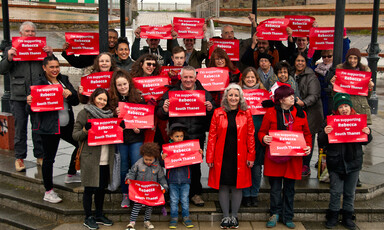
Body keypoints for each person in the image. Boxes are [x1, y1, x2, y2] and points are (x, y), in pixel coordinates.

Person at [157, 66, 216, 207]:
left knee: (195, 167)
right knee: (175, 166)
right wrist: (164, 109)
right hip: (177, 136)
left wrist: (210, 109)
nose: (188, 80)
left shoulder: (204, 93)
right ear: (180, 78)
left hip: (197, 136)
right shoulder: (171, 93)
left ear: (195, 78)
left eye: (191, 77)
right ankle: (174, 195)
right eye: (185, 77)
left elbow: (214, 114)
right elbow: (159, 112)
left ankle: (195, 194)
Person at [0, 21, 52, 171]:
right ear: (21, 34)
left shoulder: (41, 48)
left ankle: (40, 155)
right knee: (20, 128)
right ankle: (19, 158)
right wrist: (9, 58)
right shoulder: (11, 48)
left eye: (32, 31)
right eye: (27, 31)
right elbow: (2, 69)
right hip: (18, 95)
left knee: (38, 127)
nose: (30, 34)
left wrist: (49, 54)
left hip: (38, 93)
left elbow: (52, 67)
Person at [26, 56, 79, 202]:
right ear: (44, 68)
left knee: (80, 144)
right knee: (49, 158)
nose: (55, 70)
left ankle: (71, 173)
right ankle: (48, 191)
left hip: (66, 125)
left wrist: (70, 94)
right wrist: (30, 103)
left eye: (57, 66)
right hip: (49, 127)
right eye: (52, 67)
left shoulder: (64, 80)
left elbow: (76, 101)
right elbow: (31, 110)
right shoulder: (39, 84)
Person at [258, 85, 312, 229]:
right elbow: (262, 132)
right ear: (281, 99)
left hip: (293, 160)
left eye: (292, 95)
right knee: (275, 189)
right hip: (275, 159)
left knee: (289, 189)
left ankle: (288, 216)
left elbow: (307, 133)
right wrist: (264, 139)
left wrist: (308, 146)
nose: (293, 98)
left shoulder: (300, 113)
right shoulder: (270, 113)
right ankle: (274, 213)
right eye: (289, 96)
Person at [318, 93, 372, 230]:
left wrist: (368, 133)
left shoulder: (358, 120)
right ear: (337, 109)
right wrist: (325, 132)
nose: (344, 109)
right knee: (335, 192)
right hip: (335, 163)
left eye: (346, 106)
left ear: (350, 107)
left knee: (349, 193)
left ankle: (348, 217)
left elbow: (366, 140)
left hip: (353, 162)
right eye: (341, 107)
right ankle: (333, 216)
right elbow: (321, 142)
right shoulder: (330, 121)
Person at [206, 83, 255, 228]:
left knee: (237, 186)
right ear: (226, 97)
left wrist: (251, 156)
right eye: (230, 95)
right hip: (222, 156)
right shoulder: (218, 112)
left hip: (240, 155)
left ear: (240, 97)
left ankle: (234, 217)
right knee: (223, 186)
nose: (233, 98)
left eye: (236, 95)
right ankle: (225, 217)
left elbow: (250, 136)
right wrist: (210, 157)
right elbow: (212, 136)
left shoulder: (247, 113)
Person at [72, 88, 115, 230]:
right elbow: (75, 135)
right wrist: (85, 130)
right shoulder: (84, 113)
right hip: (90, 158)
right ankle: (88, 217)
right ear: (93, 97)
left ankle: (98, 214)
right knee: (89, 188)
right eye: (99, 98)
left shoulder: (110, 115)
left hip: (105, 158)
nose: (102, 102)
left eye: (104, 100)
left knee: (101, 189)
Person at [108, 69, 145, 208]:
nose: (123, 87)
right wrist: (114, 114)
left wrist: (140, 127)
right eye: (119, 85)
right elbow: (108, 122)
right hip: (121, 138)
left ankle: (137, 194)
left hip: (136, 137)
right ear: (115, 87)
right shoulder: (112, 101)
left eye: (125, 84)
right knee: (123, 167)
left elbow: (145, 118)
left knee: (136, 166)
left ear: (129, 83)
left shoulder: (138, 98)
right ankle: (125, 195)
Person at [162, 123, 203, 228]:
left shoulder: (188, 147)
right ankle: (174, 219)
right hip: (172, 180)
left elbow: (195, 159)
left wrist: (199, 153)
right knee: (174, 200)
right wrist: (163, 157)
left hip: (186, 179)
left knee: (185, 200)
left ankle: (186, 218)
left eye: (181, 136)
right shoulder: (167, 148)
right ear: (171, 137)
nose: (179, 138)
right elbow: (163, 164)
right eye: (176, 136)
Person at [292, 53, 323, 176]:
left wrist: (303, 103)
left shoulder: (311, 76)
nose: (300, 63)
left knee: (308, 139)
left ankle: (306, 164)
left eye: (302, 61)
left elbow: (314, 95)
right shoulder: (291, 74)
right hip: (295, 111)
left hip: (310, 112)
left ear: (306, 62)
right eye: (298, 60)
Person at [238, 67, 265, 207]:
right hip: (242, 136)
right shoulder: (238, 94)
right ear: (243, 79)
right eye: (247, 77)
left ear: (257, 79)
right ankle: (245, 194)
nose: (250, 80)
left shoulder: (264, 94)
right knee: (243, 167)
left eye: (252, 77)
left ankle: (254, 193)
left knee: (256, 168)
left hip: (258, 136)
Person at [125, 142, 168, 230]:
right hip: (139, 190)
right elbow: (132, 172)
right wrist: (129, 179)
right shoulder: (138, 163)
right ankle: (132, 223)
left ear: (155, 157)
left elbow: (161, 178)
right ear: (143, 156)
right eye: (146, 159)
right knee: (137, 205)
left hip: (151, 191)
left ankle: (147, 221)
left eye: (150, 160)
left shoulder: (158, 167)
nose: (148, 161)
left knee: (149, 206)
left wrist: (164, 187)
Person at [330, 48, 374, 125]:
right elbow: (335, 95)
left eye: (355, 58)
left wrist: (370, 88)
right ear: (347, 58)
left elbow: (368, 96)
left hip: (361, 107)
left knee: (362, 134)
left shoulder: (365, 71)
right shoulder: (341, 70)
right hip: (345, 109)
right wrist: (334, 86)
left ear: (358, 59)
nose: (352, 60)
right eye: (350, 58)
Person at [314, 49, 333, 117]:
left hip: (332, 97)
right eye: (324, 57)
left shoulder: (336, 68)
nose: (326, 58)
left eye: (329, 56)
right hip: (320, 97)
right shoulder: (317, 68)